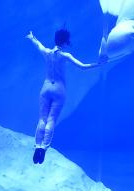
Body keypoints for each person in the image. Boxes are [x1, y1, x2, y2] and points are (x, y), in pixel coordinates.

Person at [26, 28, 106, 164]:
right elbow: (83, 67)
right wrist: (98, 64)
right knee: (51, 120)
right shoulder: (65, 56)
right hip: (59, 89)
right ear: (65, 41)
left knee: (42, 118)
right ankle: (44, 148)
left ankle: (37, 146)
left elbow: (38, 45)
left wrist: (32, 38)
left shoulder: (47, 52)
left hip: (46, 88)